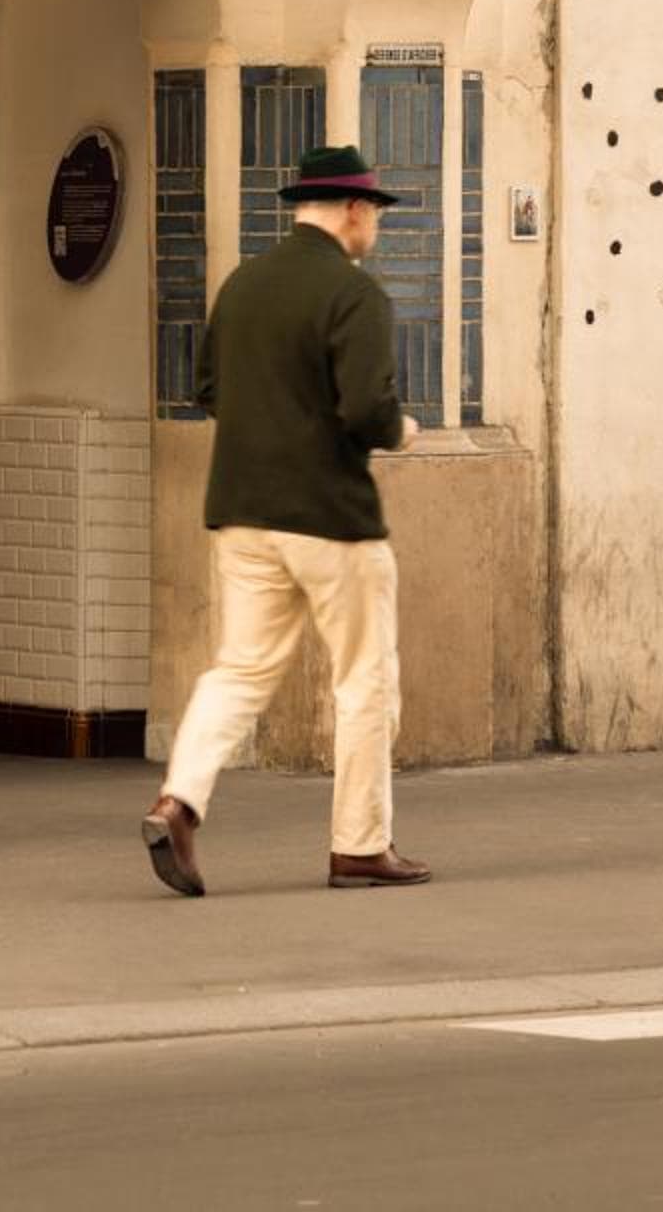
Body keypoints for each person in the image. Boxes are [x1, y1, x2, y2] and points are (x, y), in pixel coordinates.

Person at [142, 142, 430, 896]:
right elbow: (366, 409)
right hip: (331, 517)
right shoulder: (354, 294)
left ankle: (179, 802)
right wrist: (398, 431)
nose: (376, 230)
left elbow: (207, 387)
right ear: (356, 211)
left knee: (239, 668)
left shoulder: (241, 285)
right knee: (365, 680)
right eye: (375, 215)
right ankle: (360, 846)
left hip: (242, 510)